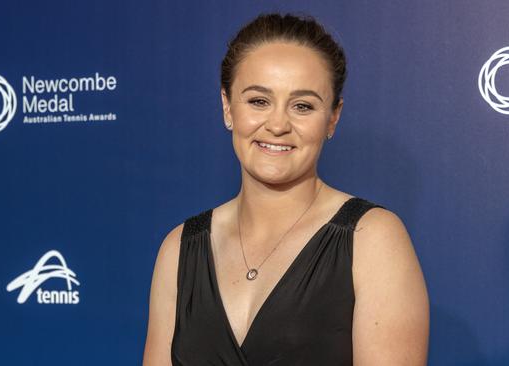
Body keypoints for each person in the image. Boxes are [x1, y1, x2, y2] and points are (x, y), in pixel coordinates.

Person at [143, 12, 429, 365]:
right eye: (258, 101)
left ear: (333, 118)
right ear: (227, 106)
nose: (278, 124)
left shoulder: (372, 239)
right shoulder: (180, 247)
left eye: (303, 106)